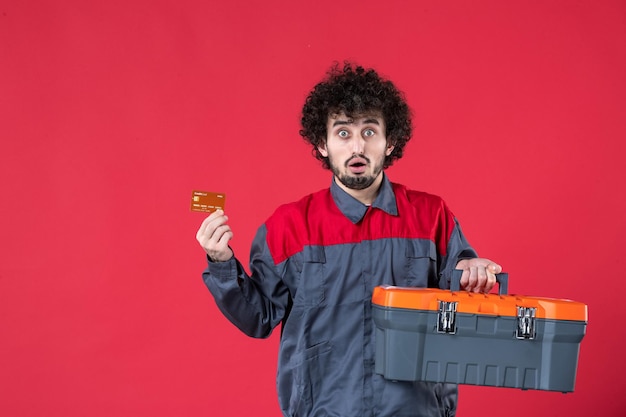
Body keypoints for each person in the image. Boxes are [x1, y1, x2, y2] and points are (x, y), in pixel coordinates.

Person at [196, 62, 502, 417]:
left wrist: (472, 274)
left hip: (416, 409)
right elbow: (258, 319)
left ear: (391, 142)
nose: (357, 146)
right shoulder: (288, 226)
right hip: (323, 409)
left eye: (369, 132)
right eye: (343, 133)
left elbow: (461, 292)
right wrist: (221, 263)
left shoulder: (432, 215)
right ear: (322, 144)